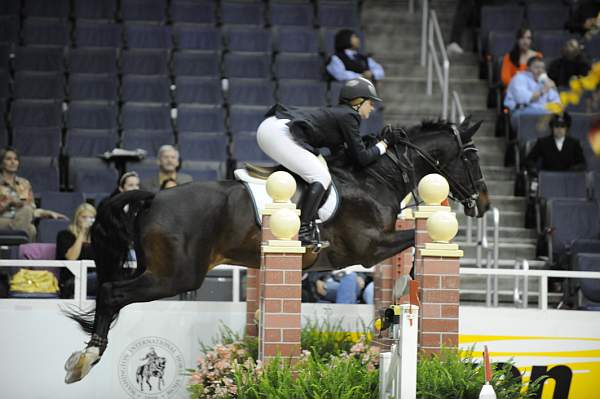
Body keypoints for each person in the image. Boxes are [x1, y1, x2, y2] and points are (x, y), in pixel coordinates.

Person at [256, 77, 394, 248]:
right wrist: (383, 145)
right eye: (370, 103)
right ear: (358, 102)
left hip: (273, 128)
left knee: (320, 169)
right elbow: (361, 159)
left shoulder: (341, 114)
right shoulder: (349, 116)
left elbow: (346, 155)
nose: (372, 107)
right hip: (278, 133)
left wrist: (370, 144)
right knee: (320, 176)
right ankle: (303, 229)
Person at [0, 147, 66, 240]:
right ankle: (21, 251)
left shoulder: (24, 183)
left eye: (16, 159)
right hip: (2, 220)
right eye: (8, 159)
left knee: (30, 224)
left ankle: (14, 247)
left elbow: (31, 209)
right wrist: (9, 202)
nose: (13, 162)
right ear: (1, 163)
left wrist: (47, 213)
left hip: (22, 218)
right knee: (30, 229)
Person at [504, 56, 560, 131]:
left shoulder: (546, 81)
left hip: (544, 113)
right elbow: (522, 99)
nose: (540, 70)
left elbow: (557, 103)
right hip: (522, 112)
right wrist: (543, 91)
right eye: (536, 67)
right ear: (528, 68)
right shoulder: (519, 78)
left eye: (542, 68)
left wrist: (554, 88)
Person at [525, 112, 586, 176]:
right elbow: (529, 160)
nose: (559, 129)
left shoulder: (574, 143)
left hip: (568, 181)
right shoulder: (542, 142)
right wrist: (534, 170)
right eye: (556, 126)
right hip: (547, 180)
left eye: (562, 126)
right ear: (552, 128)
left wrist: (573, 170)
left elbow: (582, 163)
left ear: (567, 128)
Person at [56, 203, 96, 298]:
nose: (87, 221)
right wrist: (82, 232)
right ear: (77, 218)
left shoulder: (97, 238)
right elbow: (71, 258)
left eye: (91, 218)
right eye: (84, 217)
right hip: (73, 279)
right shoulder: (65, 235)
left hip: (94, 278)